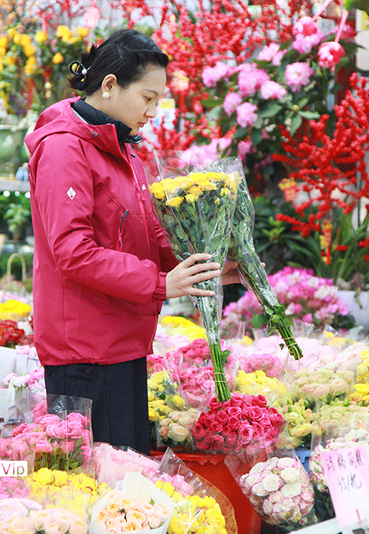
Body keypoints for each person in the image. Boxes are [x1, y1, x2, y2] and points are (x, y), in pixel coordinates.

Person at [25, 29, 239, 454]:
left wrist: (213, 265)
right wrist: (160, 284)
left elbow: (148, 233)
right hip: (85, 353)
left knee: (129, 475)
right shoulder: (64, 149)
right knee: (103, 480)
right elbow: (73, 252)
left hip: (123, 342)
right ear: (109, 85)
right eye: (147, 97)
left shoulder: (121, 147)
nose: (153, 112)